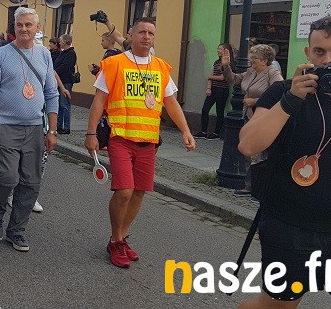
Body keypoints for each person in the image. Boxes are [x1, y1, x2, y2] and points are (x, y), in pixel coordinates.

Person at [237, 16, 331, 308]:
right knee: (276, 305)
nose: (328, 60)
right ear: (308, 53)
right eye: (320, 51)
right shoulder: (283, 92)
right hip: (288, 225)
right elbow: (248, 145)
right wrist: (290, 100)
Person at [85, 17, 195, 268]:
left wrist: (186, 131)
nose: (146, 37)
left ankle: (120, 238)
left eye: (151, 33)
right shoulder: (114, 63)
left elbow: (171, 103)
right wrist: (91, 134)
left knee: (139, 192)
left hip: (149, 140)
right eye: (142, 32)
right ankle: (115, 240)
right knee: (124, 190)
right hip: (121, 138)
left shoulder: (161, 67)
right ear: (130, 35)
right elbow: (99, 101)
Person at [0, 6, 59, 252]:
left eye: (28, 25)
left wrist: (52, 130)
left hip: (35, 128)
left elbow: (51, 93)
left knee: (31, 182)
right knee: (7, 177)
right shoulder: (1, 55)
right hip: (5, 126)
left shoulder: (44, 54)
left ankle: (17, 230)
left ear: (37, 28)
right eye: (19, 25)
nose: (23, 29)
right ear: (14, 27)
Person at [222, 43, 283, 196]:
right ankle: (251, 185)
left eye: (255, 58)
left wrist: (255, 101)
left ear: (265, 60)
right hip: (248, 116)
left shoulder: (272, 73)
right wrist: (226, 66)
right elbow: (234, 79)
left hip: (263, 118)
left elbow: (279, 94)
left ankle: (254, 187)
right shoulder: (251, 72)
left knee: (258, 154)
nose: (251, 60)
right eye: (251, 57)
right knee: (249, 153)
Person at [193, 43, 235, 140]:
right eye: (218, 49)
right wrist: (209, 88)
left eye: (220, 49)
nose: (218, 51)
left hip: (222, 90)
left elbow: (222, 77)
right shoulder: (216, 62)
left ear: (225, 51)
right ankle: (203, 131)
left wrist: (210, 77)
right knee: (205, 109)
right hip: (213, 89)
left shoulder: (228, 63)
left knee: (219, 111)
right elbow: (210, 76)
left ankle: (216, 133)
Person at [53, 34, 77, 134]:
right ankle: (59, 126)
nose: (59, 42)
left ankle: (66, 127)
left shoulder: (71, 53)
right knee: (59, 104)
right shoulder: (62, 53)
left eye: (61, 41)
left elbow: (65, 66)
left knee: (65, 104)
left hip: (66, 81)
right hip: (60, 80)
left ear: (65, 42)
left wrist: (54, 72)